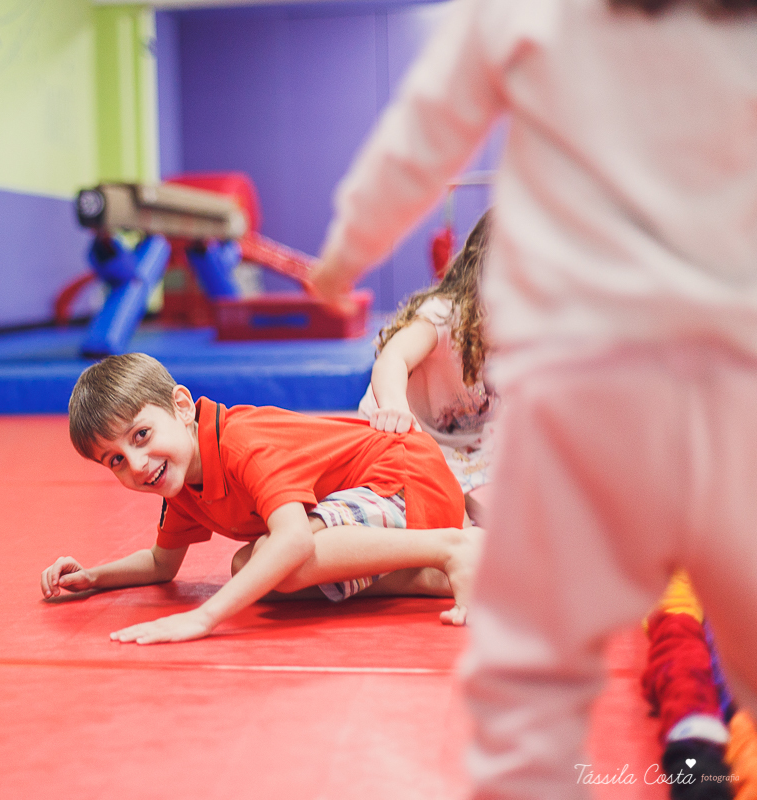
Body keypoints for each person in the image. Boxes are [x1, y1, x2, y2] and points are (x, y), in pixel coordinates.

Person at [310, 0, 757, 797]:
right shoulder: (443, 316)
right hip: (402, 449)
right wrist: (383, 396)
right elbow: (396, 358)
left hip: (469, 469)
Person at [40, 353, 482, 644]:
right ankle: (430, 575)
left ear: (181, 406)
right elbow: (161, 564)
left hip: (403, 476)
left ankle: (452, 546)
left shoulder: (239, 442)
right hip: (376, 503)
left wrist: (203, 618)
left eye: (141, 435)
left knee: (286, 563)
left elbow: (294, 542)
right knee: (246, 568)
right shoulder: (176, 479)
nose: (136, 464)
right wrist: (94, 577)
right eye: (115, 460)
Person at [356, 211, 495, 521]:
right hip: (404, 428)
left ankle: (464, 504)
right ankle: (456, 508)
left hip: (464, 443)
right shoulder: (446, 315)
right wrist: (394, 407)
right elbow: (394, 357)